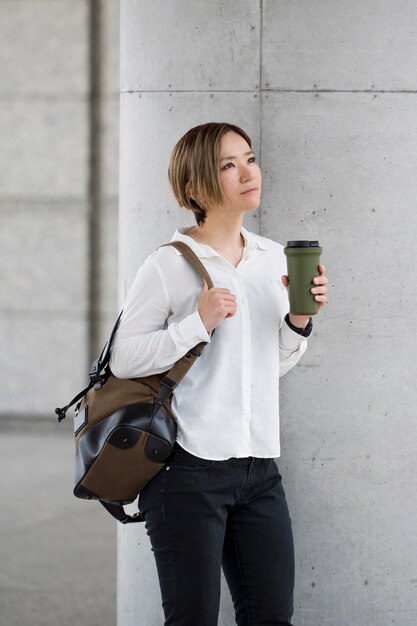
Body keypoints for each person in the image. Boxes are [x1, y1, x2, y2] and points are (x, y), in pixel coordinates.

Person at [110, 122, 328, 626]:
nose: (247, 173)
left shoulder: (273, 257)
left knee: (271, 617)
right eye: (227, 165)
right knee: (192, 619)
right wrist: (196, 324)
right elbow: (125, 359)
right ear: (194, 188)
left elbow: (268, 366)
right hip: (186, 469)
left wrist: (299, 323)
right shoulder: (169, 264)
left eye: (249, 159)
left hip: (259, 468)